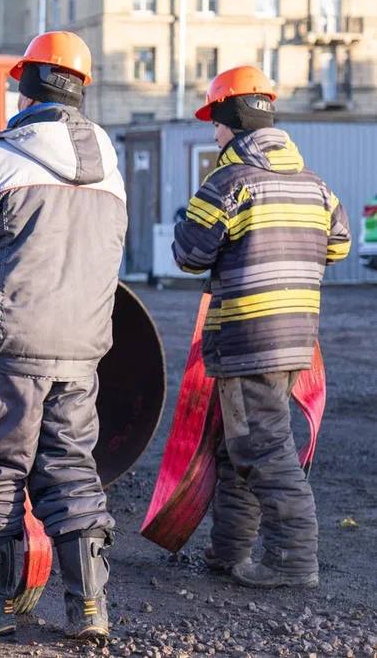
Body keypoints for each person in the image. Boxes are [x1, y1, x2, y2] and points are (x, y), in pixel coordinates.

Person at [0, 31, 127, 641]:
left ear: (25, 85)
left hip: (5, 349)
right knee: (70, 470)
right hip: (80, 353)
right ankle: (89, 610)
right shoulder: (111, 167)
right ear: (82, 89)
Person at [173, 66, 350, 589]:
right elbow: (337, 246)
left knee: (264, 448)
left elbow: (189, 253)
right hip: (296, 338)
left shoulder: (229, 181)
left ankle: (293, 559)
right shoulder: (315, 185)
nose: (214, 134)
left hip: (248, 337)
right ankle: (229, 552)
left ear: (232, 120)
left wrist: (191, 216)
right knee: (238, 445)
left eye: (217, 124)